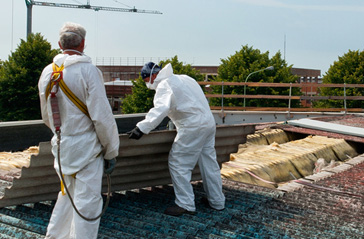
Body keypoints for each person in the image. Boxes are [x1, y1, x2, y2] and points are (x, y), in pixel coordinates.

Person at [38, 22, 119, 239]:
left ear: (59, 44)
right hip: (87, 150)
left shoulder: (47, 73)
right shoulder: (89, 72)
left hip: (62, 147)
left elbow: (47, 116)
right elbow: (102, 118)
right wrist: (111, 151)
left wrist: (62, 134)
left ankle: (54, 236)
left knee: (66, 196)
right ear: (83, 43)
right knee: (87, 204)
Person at [128, 62, 226, 216]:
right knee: (209, 163)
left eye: (146, 81)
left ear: (152, 76)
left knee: (178, 162)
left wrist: (141, 128)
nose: (147, 84)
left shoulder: (164, 85)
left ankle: (185, 204)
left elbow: (161, 108)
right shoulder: (185, 78)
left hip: (192, 126)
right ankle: (217, 201)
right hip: (208, 123)